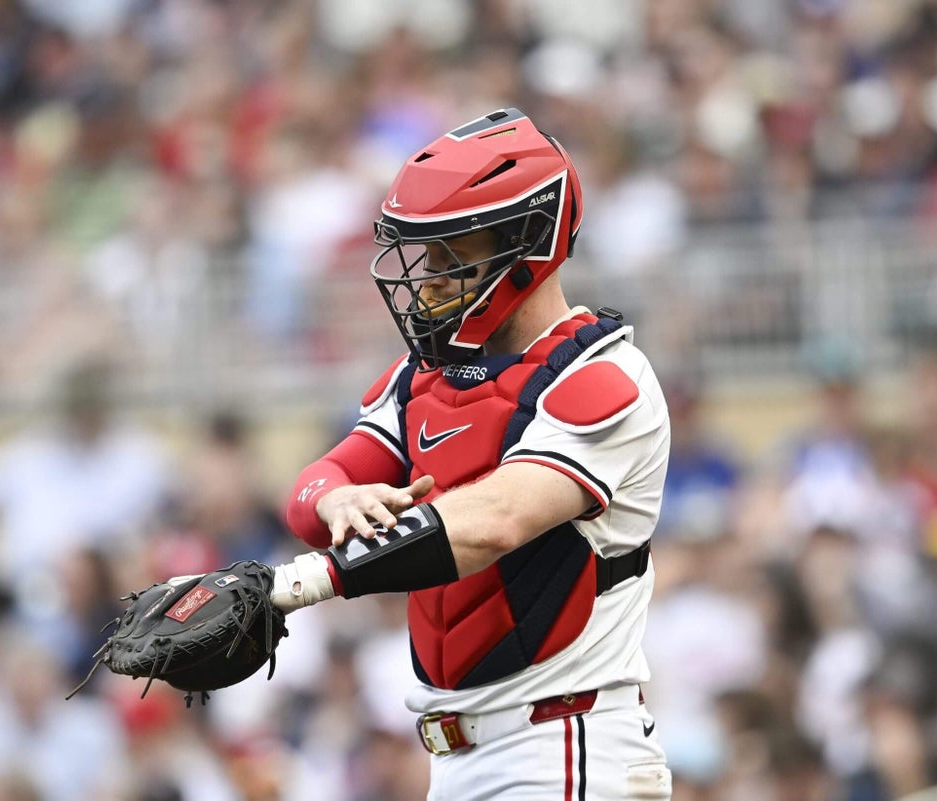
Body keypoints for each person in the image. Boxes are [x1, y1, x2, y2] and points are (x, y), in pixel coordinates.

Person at [267, 108, 673, 800]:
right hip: (457, 758)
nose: (427, 278)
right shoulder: (419, 377)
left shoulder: (605, 377)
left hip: (564, 750)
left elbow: (494, 522)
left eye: (454, 253)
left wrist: (292, 587)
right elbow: (317, 488)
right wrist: (337, 498)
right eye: (425, 254)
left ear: (528, 243)